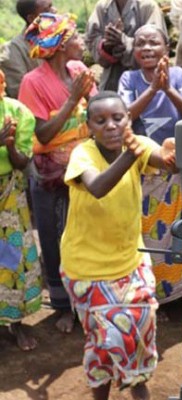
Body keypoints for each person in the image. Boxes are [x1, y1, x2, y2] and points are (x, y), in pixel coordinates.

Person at [60, 91, 177, 400]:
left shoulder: (136, 143)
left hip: (130, 261)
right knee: (101, 339)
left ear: (129, 119)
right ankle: (104, 395)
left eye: (118, 118)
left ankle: (138, 386)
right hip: (86, 268)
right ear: (89, 127)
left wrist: (171, 155)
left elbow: (163, 161)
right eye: (101, 121)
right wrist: (130, 153)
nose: (111, 126)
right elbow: (98, 187)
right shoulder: (82, 155)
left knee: (139, 329)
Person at [118, 25, 182, 317]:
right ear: (133, 51)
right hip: (145, 170)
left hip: (178, 168)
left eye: (153, 43)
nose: (147, 48)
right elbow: (124, 116)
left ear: (167, 48)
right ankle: (156, 294)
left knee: (181, 231)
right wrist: (151, 90)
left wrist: (167, 89)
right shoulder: (129, 78)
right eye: (140, 43)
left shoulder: (178, 76)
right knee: (148, 234)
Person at [18, 13, 97, 333]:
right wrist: (73, 99)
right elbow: (45, 134)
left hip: (82, 170)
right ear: (61, 44)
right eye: (75, 35)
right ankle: (64, 306)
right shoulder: (32, 82)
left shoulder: (78, 70)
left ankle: (87, 302)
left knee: (85, 237)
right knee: (55, 240)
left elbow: (96, 112)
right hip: (50, 175)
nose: (81, 40)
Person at [0, 69, 42, 351]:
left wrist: (10, 145)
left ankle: (16, 323)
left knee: (15, 257)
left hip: (10, 193)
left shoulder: (17, 112)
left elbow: (22, 161)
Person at [85, 0, 167, 91]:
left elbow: (157, 47)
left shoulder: (147, 7)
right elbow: (90, 38)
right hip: (112, 83)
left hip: (146, 84)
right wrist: (106, 46)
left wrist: (124, 42)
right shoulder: (103, 7)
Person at [0, 0, 56, 99]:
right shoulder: (12, 51)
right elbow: (23, 95)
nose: (54, 11)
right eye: (47, 9)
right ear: (32, 18)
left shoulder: (59, 38)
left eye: (52, 6)